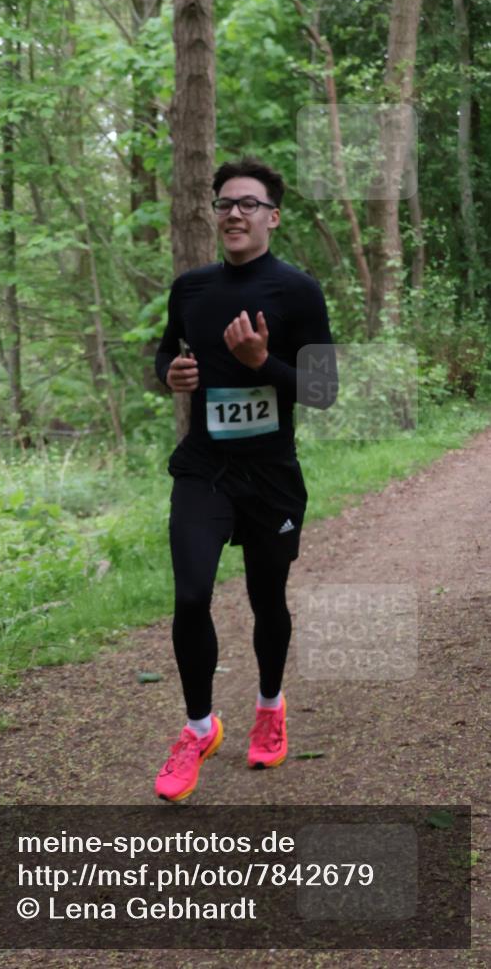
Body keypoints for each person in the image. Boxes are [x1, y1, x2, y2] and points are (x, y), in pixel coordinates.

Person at [153, 157, 337, 802]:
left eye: (249, 204)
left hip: (271, 477)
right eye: (225, 203)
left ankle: (268, 705)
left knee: (267, 598)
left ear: (272, 216)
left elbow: (323, 390)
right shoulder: (192, 289)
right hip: (204, 469)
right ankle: (200, 727)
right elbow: (167, 351)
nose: (234, 213)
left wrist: (264, 363)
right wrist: (169, 375)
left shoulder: (298, 292)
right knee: (190, 595)